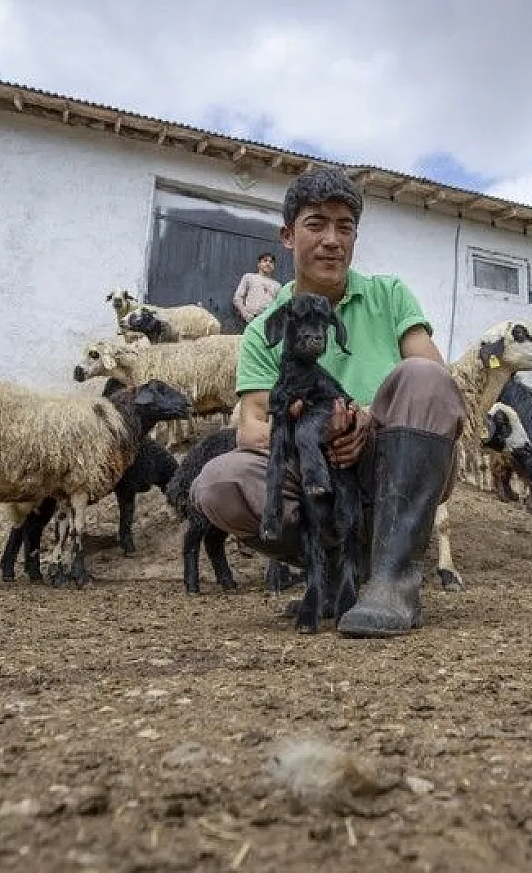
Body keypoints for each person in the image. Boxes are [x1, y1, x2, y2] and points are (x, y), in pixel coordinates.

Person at [191, 166, 463, 637]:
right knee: (219, 482)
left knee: (422, 375)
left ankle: (392, 580)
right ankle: (338, 571)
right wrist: (317, 435)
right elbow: (253, 427)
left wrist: (365, 421)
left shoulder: (389, 296)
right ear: (287, 235)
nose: (332, 240)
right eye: (316, 224)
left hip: (388, 464)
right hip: (315, 474)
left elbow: (436, 379)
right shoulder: (264, 331)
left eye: (345, 227)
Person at [233, 252, 281, 325]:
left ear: (273, 267)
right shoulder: (249, 277)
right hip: (250, 319)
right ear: (258, 264)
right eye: (265, 261)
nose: (268, 263)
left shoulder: (277, 285)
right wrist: (245, 315)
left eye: (271, 262)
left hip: (268, 321)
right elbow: (237, 298)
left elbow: (278, 305)